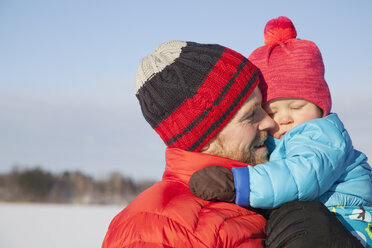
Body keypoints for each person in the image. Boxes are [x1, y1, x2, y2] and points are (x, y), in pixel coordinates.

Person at [102, 40, 362, 248]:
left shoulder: (253, 201)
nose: (271, 124)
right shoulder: (160, 228)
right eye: (251, 115)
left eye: (264, 107)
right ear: (205, 135)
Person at [189, 17, 372, 247]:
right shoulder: (275, 141)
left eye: (296, 107)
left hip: (349, 221)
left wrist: (240, 184)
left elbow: (300, 176)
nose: (284, 118)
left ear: (321, 106)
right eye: (272, 111)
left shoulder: (322, 135)